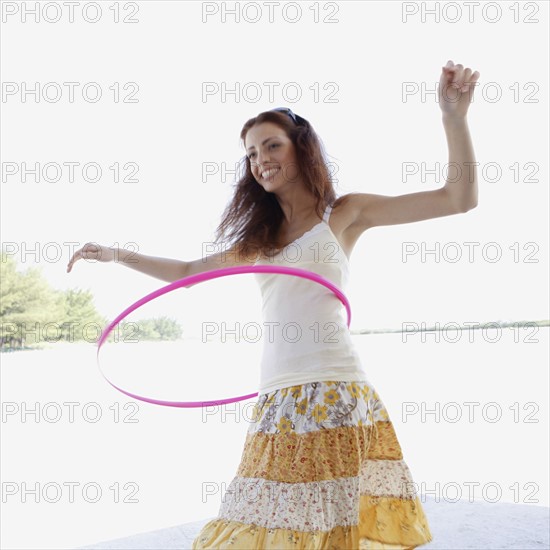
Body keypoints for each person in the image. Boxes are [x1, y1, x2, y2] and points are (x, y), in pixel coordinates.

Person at [67, 60, 480, 549]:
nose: (259, 159)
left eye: (271, 145)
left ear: (301, 149)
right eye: (250, 153)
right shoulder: (259, 241)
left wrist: (454, 119)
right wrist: (116, 254)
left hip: (334, 389)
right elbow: (185, 274)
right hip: (277, 397)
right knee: (264, 524)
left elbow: (458, 199)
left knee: (329, 527)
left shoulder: (344, 213)